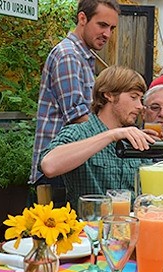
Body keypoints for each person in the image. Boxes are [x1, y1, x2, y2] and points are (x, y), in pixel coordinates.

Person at [30, 0, 120, 205]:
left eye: (112, 28)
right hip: (57, 171)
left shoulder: (82, 56)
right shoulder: (68, 55)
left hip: (70, 167)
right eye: (102, 25)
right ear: (82, 18)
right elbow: (78, 117)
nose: (107, 34)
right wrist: (115, 135)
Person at [39, 66, 159, 209]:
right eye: (133, 97)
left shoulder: (136, 138)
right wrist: (111, 135)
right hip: (89, 228)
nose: (140, 106)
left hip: (131, 227)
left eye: (141, 99)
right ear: (108, 94)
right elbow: (48, 165)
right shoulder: (80, 132)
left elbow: (152, 197)